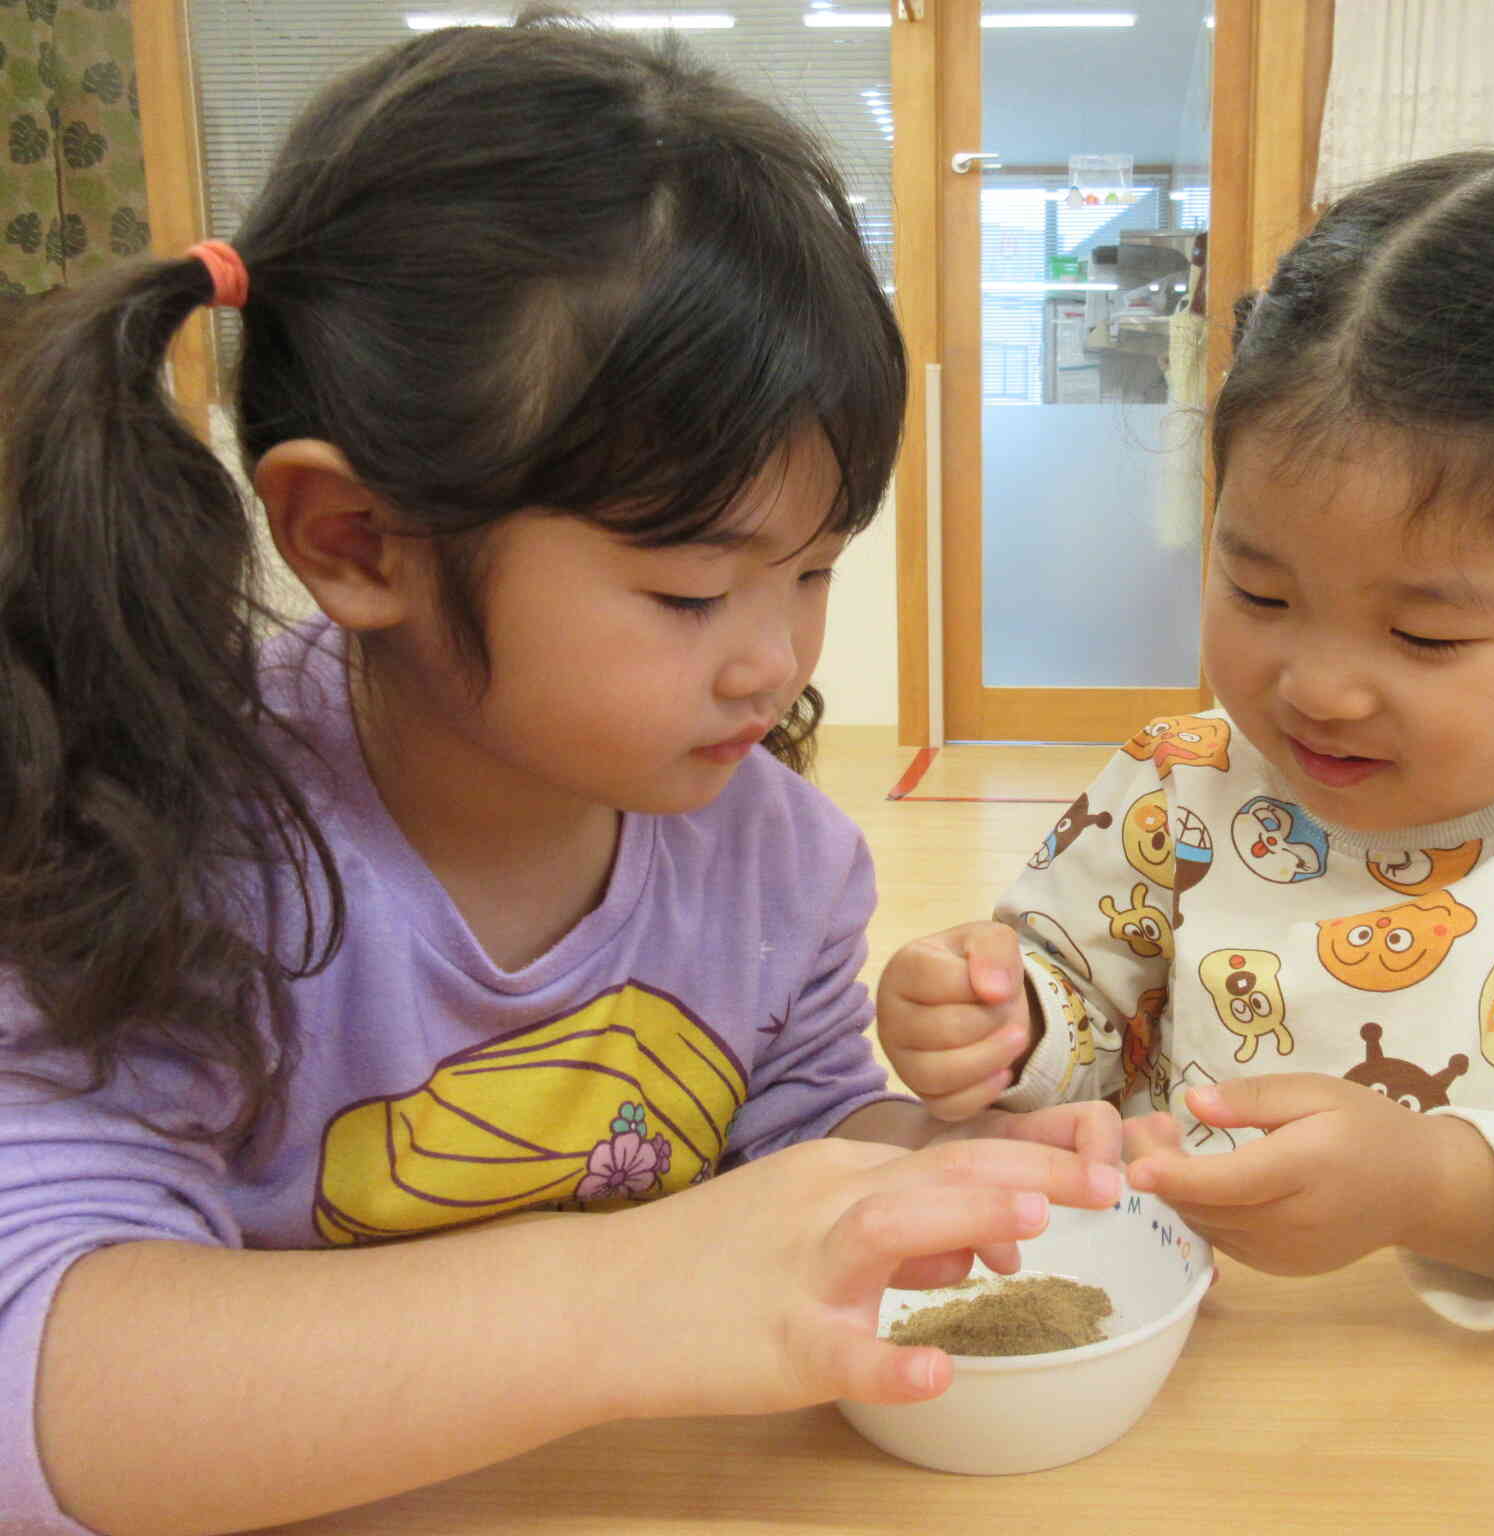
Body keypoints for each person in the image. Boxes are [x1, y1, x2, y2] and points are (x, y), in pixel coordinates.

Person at [0, 17, 1121, 1535]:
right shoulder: (151, 849)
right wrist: (627, 1299)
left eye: (813, 572)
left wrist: (940, 1163)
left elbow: (788, 1141)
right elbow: (38, 1382)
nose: (774, 663)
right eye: (688, 594)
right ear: (354, 539)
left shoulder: (775, 862)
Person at [878, 150, 1494, 1332]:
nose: (1318, 689)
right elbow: (1086, 1001)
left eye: (1422, 633)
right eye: (1258, 593)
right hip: (1189, 1357)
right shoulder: (1179, 781)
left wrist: (1434, 1185)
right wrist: (1006, 1019)